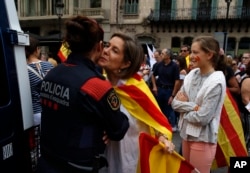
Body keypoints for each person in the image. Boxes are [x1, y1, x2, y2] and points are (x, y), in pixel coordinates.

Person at [37, 16, 129, 173]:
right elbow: (118, 129)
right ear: (99, 47)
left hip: (46, 163)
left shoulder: (52, 74)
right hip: (77, 167)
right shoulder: (96, 86)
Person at [98, 32, 175, 173]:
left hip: (131, 157)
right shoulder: (99, 83)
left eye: (114, 50)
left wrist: (163, 138)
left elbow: (156, 119)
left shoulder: (136, 88)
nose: (105, 51)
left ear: (126, 63)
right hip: (106, 156)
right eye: (108, 46)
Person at [171, 36, 226, 173]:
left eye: (196, 52)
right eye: (192, 52)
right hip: (185, 134)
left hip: (203, 139)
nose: (191, 56)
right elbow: (175, 104)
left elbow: (203, 118)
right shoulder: (191, 75)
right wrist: (194, 107)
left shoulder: (216, 82)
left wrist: (184, 110)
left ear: (209, 55)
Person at [25, 36, 54, 126]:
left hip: (34, 113)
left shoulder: (22, 70)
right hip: (49, 110)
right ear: (37, 49)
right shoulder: (49, 65)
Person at [151, 48, 180, 131]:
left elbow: (177, 81)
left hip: (169, 90)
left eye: (163, 54)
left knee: (169, 108)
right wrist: (154, 86)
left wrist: (173, 95)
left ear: (168, 56)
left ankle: (172, 125)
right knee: (159, 108)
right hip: (160, 89)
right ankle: (160, 125)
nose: (161, 55)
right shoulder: (158, 65)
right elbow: (153, 75)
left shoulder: (174, 66)